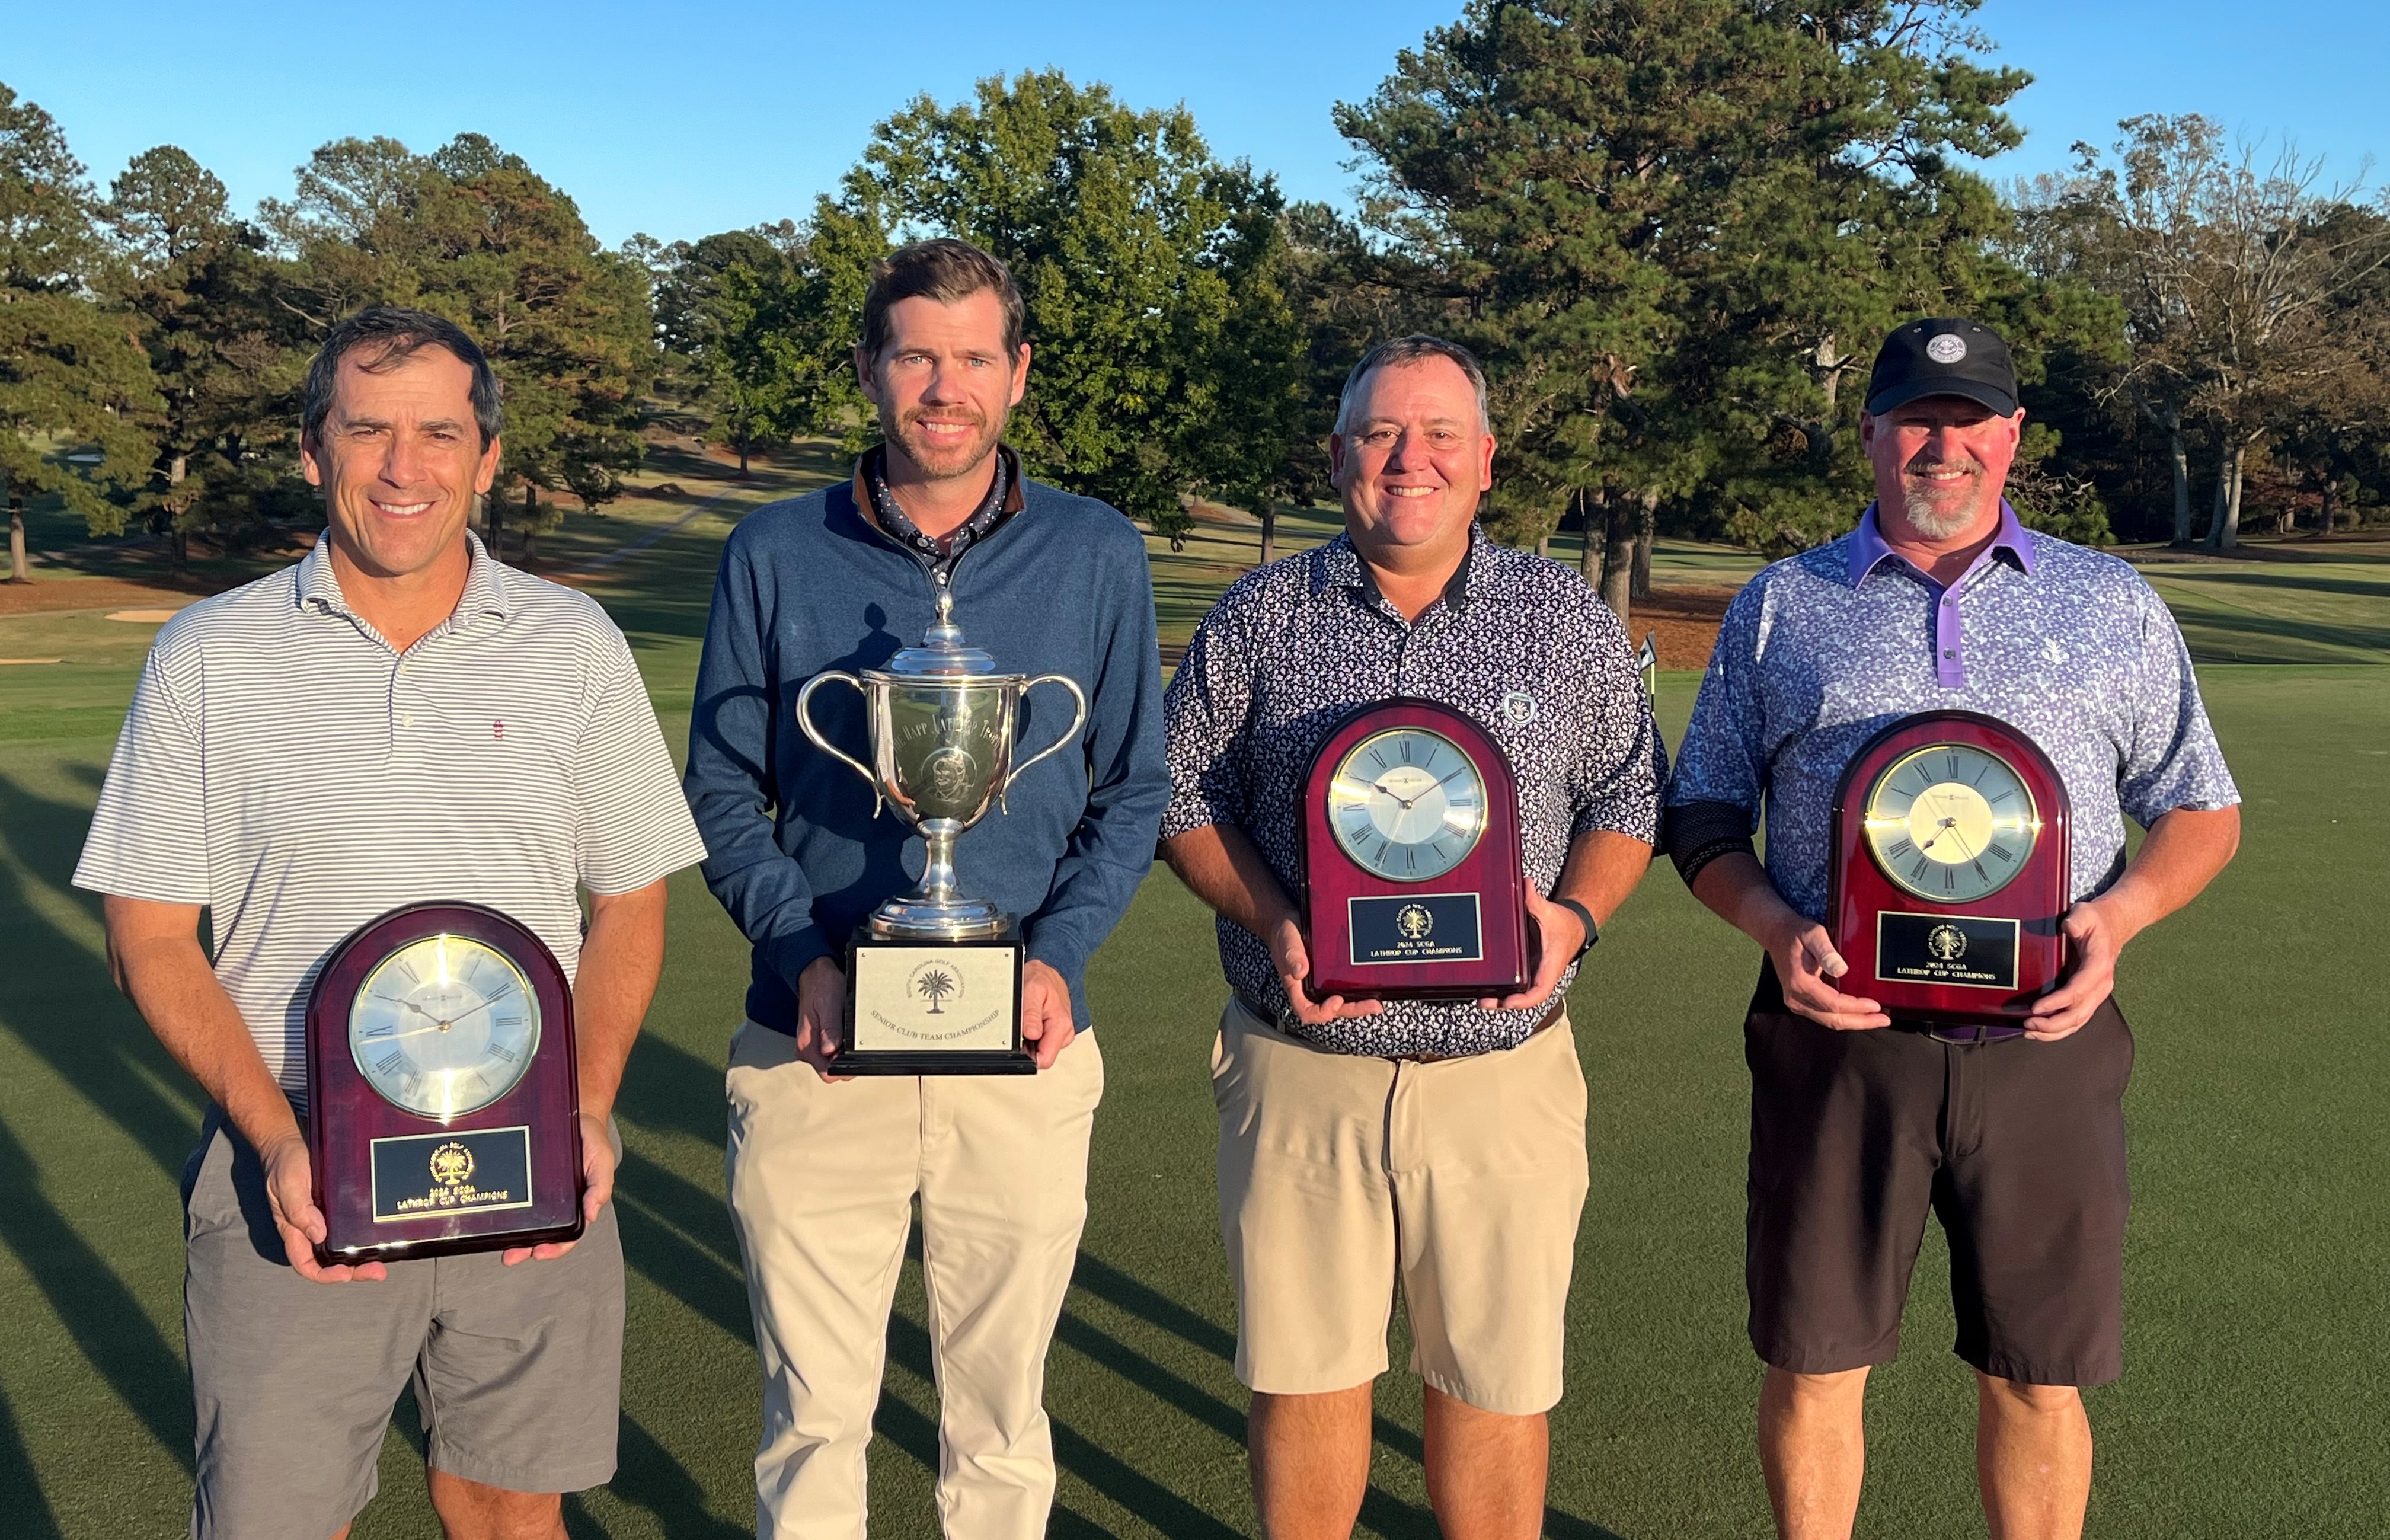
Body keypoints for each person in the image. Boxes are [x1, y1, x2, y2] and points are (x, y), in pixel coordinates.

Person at [74, 307, 707, 1540]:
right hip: (295, 1173)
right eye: (367, 431)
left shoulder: (574, 644)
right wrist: (271, 1140)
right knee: (275, 1522)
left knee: (513, 1511)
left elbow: (631, 900)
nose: (403, 468)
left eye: (438, 433)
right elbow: (147, 933)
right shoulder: (207, 654)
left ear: (488, 456)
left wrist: (582, 1106)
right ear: (312, 452)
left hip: (533, 1162)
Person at [1662, 317, 2242, 1540]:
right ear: (1870, 430)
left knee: (2038, 1376)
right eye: (1917, 417)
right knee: (1818, 1363)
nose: (1945, 443)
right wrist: (1773, 926)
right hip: (1840, 1038)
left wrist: (2121, 919)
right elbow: (1704, 810)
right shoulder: (1783, 603)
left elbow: (2200, 807)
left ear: (2012, 436)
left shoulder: (2110, 600)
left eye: (1970, 417)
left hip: (2046, 1042)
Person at [683, 238, 1168, 1540]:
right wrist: (807, 959)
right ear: (869, 368)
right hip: (812, 1048)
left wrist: (1059, 958)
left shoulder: (1095, 549)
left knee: (1000, 1428)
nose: (941, 388)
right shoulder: (777, 549)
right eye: (914, 355)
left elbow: (1132, 790)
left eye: (971, 358)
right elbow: (726, 791)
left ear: (1016, 374)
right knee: (815, 1422)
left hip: (1023, 1045)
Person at [1158, 334, 1663, 1540]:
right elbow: (1179, 799)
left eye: (1440, 434)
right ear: (1340, 455)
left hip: (1502, 1074)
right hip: (1304, 1067)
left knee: (1492, 1390)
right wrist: (1275, 917)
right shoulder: (1261, 615)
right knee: (1307, 1381)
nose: (1410, 459)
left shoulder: (1561, 615)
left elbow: (1628, 802)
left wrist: (1574, 918)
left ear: (1487, 461)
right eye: (1382, 432)